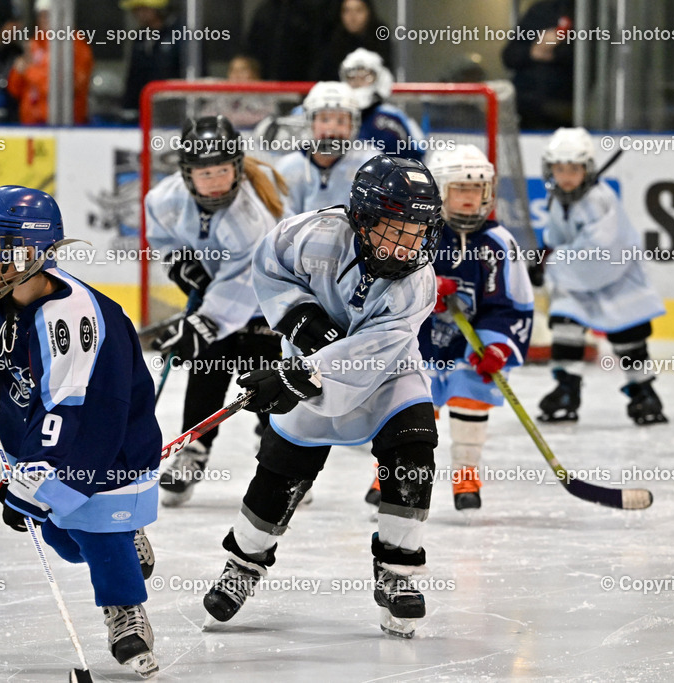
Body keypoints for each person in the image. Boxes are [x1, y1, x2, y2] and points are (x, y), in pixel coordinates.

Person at [201, 154, 444, 639]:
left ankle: (397, 572)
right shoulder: (312, 234)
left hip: (388, 377)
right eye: (395, 229)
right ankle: (243, 562)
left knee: (414, 453)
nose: (407, 244)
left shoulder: (417, 284)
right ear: (362, 218)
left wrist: (297, 375)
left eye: (417, 231)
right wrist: (296, 318)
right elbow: (268, 265)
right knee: (279, 473)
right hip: (306, 367)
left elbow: (367, 356)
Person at [0, 186, 161, 677]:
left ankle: (125, 609)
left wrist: (36, 479)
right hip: (33, 431)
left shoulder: (72, 319)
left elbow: (72, 412)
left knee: (93, 527)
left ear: (24, 254)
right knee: (62, 537)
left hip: (103, 442)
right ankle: (126, 535)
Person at [364, 145, 534, 510]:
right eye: (460, 189)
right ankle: (388, 471)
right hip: (416, 345)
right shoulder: (415, 233)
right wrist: (425, 291)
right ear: (441, 190)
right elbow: (385, 283)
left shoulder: (500, 244)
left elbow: (512, 305)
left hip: (466, 348)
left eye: (476, 190)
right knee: (405, 403)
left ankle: (466, 474)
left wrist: (497, 346)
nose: (470, 199)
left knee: (470, 394)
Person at [146, 115, 291, 507]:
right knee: (206, 367)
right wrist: (179, 262)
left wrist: (205, 323)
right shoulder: (166, 198)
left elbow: (244, 284)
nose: (213, 181)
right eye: (203, 172)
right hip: (220, 297)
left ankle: (285, 458)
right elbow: (160, 232)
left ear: (238, 168)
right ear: (187, 173)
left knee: (264, 376)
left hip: (269, 303)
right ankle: (193, 448)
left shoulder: (251, 216)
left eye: (222, 171)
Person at [537, 128, 667, 425]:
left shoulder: (600, 199)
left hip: (618, 281)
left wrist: (555, 261)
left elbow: (600, 252)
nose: (566, 176)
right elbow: (556, 237)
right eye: (559, 169)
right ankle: (566, 388)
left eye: (574, 169)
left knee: (628, 336)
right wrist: (542, 258)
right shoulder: (558, 200)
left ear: (588, 169)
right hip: (578, 283)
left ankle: (643, 392)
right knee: (565, 326)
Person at [275, 81, 373, 214]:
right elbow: (283, 224)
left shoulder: (369, 165)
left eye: (341, 121)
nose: (331, 129)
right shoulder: (287, 167)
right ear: (310, 123)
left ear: (353, 125)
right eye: (324, 119)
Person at [6, 0, 93, 125]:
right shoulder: (34, 44)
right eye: (41, 15)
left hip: (65, 124)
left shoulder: (76, 47)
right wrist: (18, 72)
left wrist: (29, 71)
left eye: (49, 14)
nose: (44, 19)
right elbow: (14, 90)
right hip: (30, 124)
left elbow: (64, 87)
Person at [339, 48, 426, 162]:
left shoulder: (394, 117)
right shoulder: (337, 117)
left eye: (365, 76)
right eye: (352, 77)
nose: (358, 83)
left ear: (379, 78)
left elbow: (419, 154)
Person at [500, 0, 574, 130]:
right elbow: (509, 56)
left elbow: (595, 61)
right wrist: (533, 51)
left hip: (567, 112)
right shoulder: (541, 10)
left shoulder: (592, 12)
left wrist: (556, 52)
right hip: (524, 108)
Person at [119, 0, 187, 120]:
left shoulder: (182, 34)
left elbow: (192, 75)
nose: (139, 14)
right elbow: (134, 78)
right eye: (136, 9)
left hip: (175, 114)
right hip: (144, 114)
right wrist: (128, 109)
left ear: (161, 9)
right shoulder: (141, 37)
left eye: (144, 9)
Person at [311, 0, 391, 81]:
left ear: (369, 12)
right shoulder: (332, 39)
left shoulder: (380, 37)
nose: (352, 17)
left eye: (358, 10)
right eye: (346, 11)